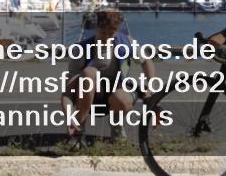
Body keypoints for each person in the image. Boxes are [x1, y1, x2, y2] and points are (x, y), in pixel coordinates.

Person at [60, 9, 156, 140]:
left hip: (117, 92)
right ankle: (78, 131)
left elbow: (146, 61)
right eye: (103, 32)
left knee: (121, 99)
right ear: (96, 28)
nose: (106, 38)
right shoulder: (80, 50)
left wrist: (150, 85)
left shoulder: (127, 42)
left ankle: (117, 131)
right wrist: (70, 117)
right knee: (89, 73)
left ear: (117, 31)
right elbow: (67, 94)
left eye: (111, 34)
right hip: (90, 97)